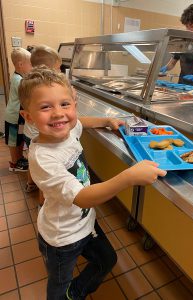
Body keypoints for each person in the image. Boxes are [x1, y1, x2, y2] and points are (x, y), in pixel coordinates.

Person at [19, 66, 167, 300]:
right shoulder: (43, 158)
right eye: (46, 107)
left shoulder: (67, 130)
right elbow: (82, 197)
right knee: (59, 285)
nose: (58, 114)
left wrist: (106, 120)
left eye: (65, 104)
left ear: (74, 105)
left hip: (85, 223)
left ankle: (75, 294)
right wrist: (128, 177)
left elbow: (81, 123)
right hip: (61, 239)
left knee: (107, 260)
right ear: (28, 116)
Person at [22, 45, 62, 193]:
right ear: (48, 69)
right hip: (38, 135)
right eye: (57, 69)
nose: (59, 72)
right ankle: (40, 196)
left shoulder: (28, 83)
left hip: (28, 133)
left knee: (32, 162)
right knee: (44, 176)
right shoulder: (43, 88)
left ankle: (30, 183)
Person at [5, 47, 32, 172]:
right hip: (13, 117)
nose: (32, 66)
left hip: (19, 117)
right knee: (13, 140)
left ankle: (20, 159)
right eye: (30, 63)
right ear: (21, 65)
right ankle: (14, 164)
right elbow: (26, 97)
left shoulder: (19, 77)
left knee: (19, 138)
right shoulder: (18, 80)